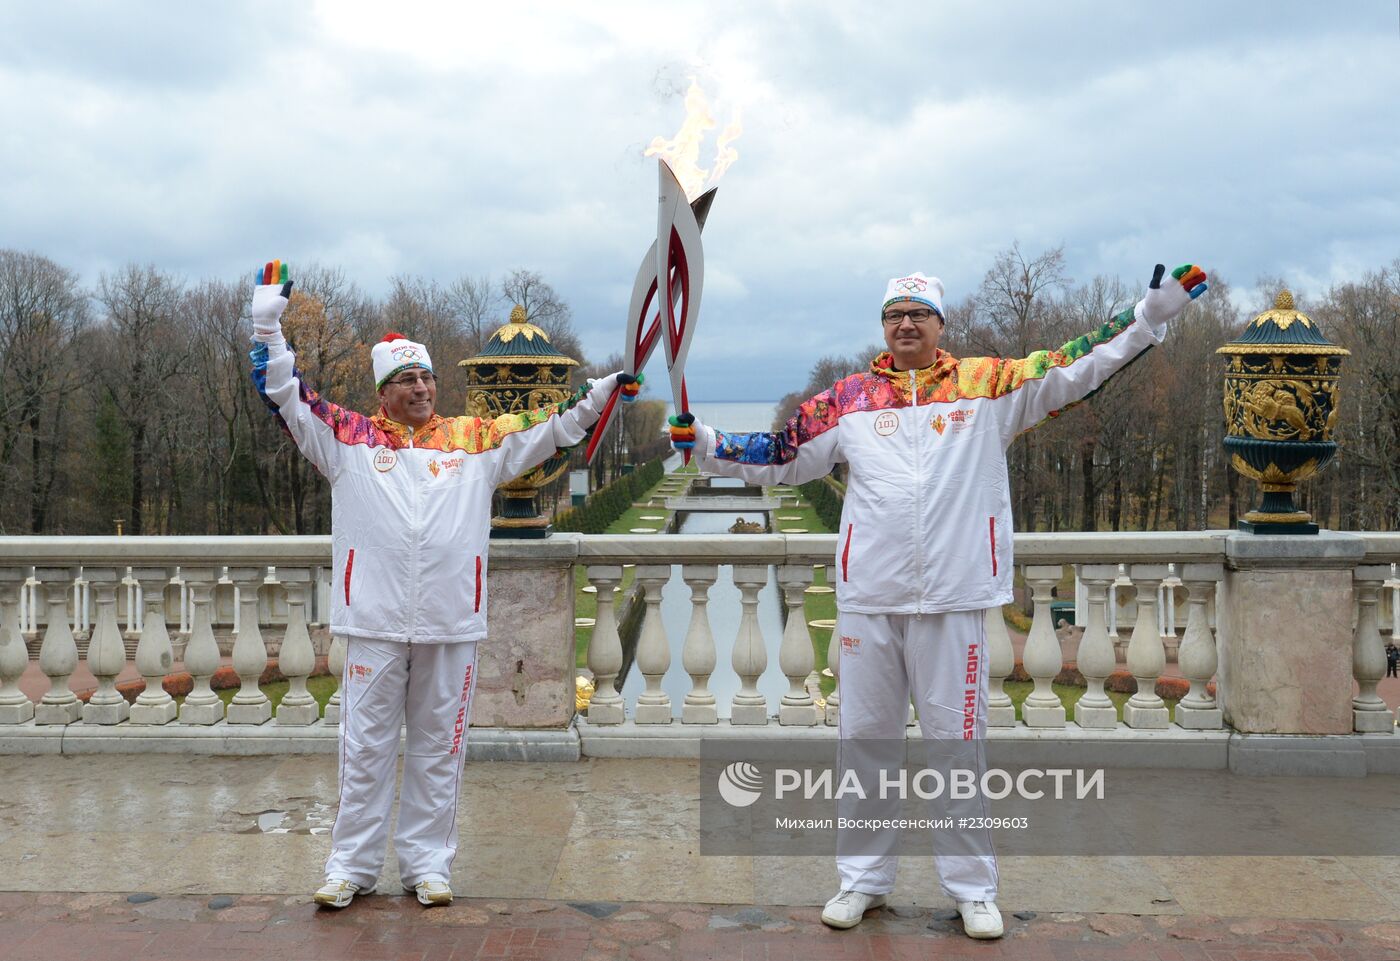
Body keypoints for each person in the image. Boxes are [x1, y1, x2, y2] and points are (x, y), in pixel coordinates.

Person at [670, 263, 1208, 940]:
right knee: (866, 744)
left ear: (939, 324)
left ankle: (973, 888)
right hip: (871, 598)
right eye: (894, 314)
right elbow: (782, 454)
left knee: (957, 748)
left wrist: (1146, 318)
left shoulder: (986, 387)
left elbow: (1075, 365)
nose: (905, 324)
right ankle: (862, 879)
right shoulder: (848, 400)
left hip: (955, 601)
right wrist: (710, 444)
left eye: (917, 313)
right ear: (884, 326)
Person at [248, 261, 637, 909]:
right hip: (372, 621)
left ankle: (428, 864)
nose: (422, 386)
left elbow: (553, 425)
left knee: (439, 750)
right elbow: (285, 393)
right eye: (407, 378)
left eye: (426, 375)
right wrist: (267, 326)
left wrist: (600, 393)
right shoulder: (348, 439)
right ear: (385, 390)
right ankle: (351, 866)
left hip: (451, 621)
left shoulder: (474, 441)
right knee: (364, 750)